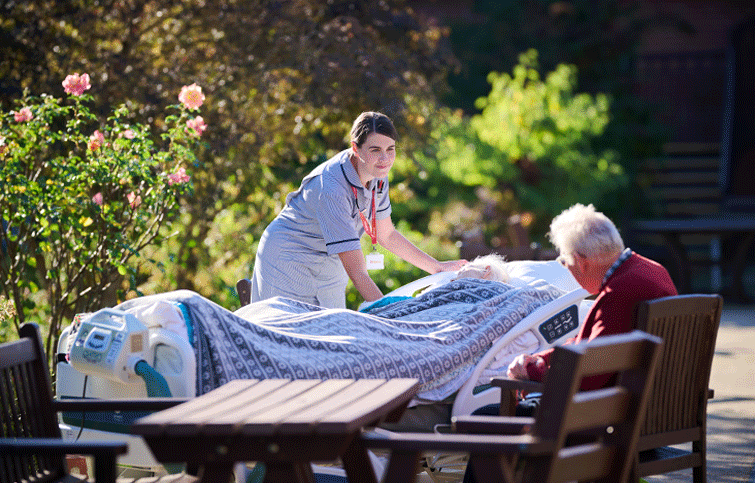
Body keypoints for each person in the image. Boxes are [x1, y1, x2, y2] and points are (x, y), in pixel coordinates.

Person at [461, 203, 677, 483]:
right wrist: (543, 359)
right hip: (646, 410)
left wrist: (532, 373)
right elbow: (591, 345)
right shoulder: (650, 271)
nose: (567, 269)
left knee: (485, 419)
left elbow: (589, 376)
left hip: (611, 419)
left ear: (582, 261)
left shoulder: (620, 292)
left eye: (565, 262)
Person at [250, 111, 467, 309]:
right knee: (291, 337)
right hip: (289, 256)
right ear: (355, 148)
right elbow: (357, 272)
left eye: (390, 149)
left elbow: (387, 235)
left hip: (329, 261)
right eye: (375, 150)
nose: (385, 158)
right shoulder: (332, 188)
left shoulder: (378, 174)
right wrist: (389, 312)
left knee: (333, 335)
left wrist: (437, 267)